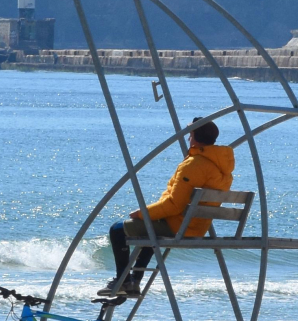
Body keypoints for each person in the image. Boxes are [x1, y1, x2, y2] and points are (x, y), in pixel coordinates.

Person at [99, 118, 234, 299]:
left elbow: (174, 204)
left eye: (190, 134)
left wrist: (141, 213)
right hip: (197, 226)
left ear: (195, 137)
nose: (188, 139)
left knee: (117, 229)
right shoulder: (221, 167)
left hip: (180, 226)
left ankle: (124, 281)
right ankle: (133, 281)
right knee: (150, 229)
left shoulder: (193, 165)